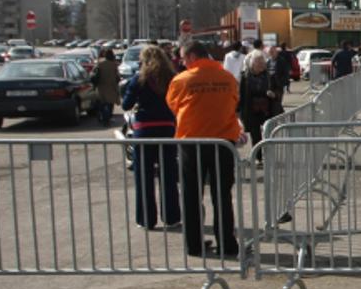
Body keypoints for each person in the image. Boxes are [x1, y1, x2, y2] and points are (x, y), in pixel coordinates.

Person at [166, 40, 241, 259]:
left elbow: (173, 104)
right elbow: (234, 102)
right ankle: (227, 243)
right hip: (223, 142)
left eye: (182, 58)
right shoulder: (227, 78)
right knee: (222, 195)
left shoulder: (181, 80)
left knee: (191, 195)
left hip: (192, 142)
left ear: (191, 57)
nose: (182, 62)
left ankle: (194, 245)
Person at [121, 46, 180, 230]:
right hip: (167, 127)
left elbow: (126, 105)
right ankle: (171, 217)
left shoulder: (138, 79)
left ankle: (146, 219)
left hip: (144, 130)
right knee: (169, 174)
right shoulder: (172, 78)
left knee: (143, 176)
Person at [240, 49, 282, 160]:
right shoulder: (245, 77)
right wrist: (238, 111)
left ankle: (269, 156)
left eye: (263, 63)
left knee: (269, 133)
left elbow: (279, 90)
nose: (261, 66)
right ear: (252, 64)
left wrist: (274, 95)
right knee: (255, 136)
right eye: (258, 63)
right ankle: (258, 158)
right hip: (251, 110)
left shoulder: (270, 76)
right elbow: (241, 95)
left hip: (267, 110)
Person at [91, 48, 121, 125]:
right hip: (111, 86)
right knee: (110, 103)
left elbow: (93, 73)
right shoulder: (114, 64)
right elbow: (117, 76)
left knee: (102, 103)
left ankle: (103, 117)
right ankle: (108, 118)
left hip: (101, 86)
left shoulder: (100, 63)